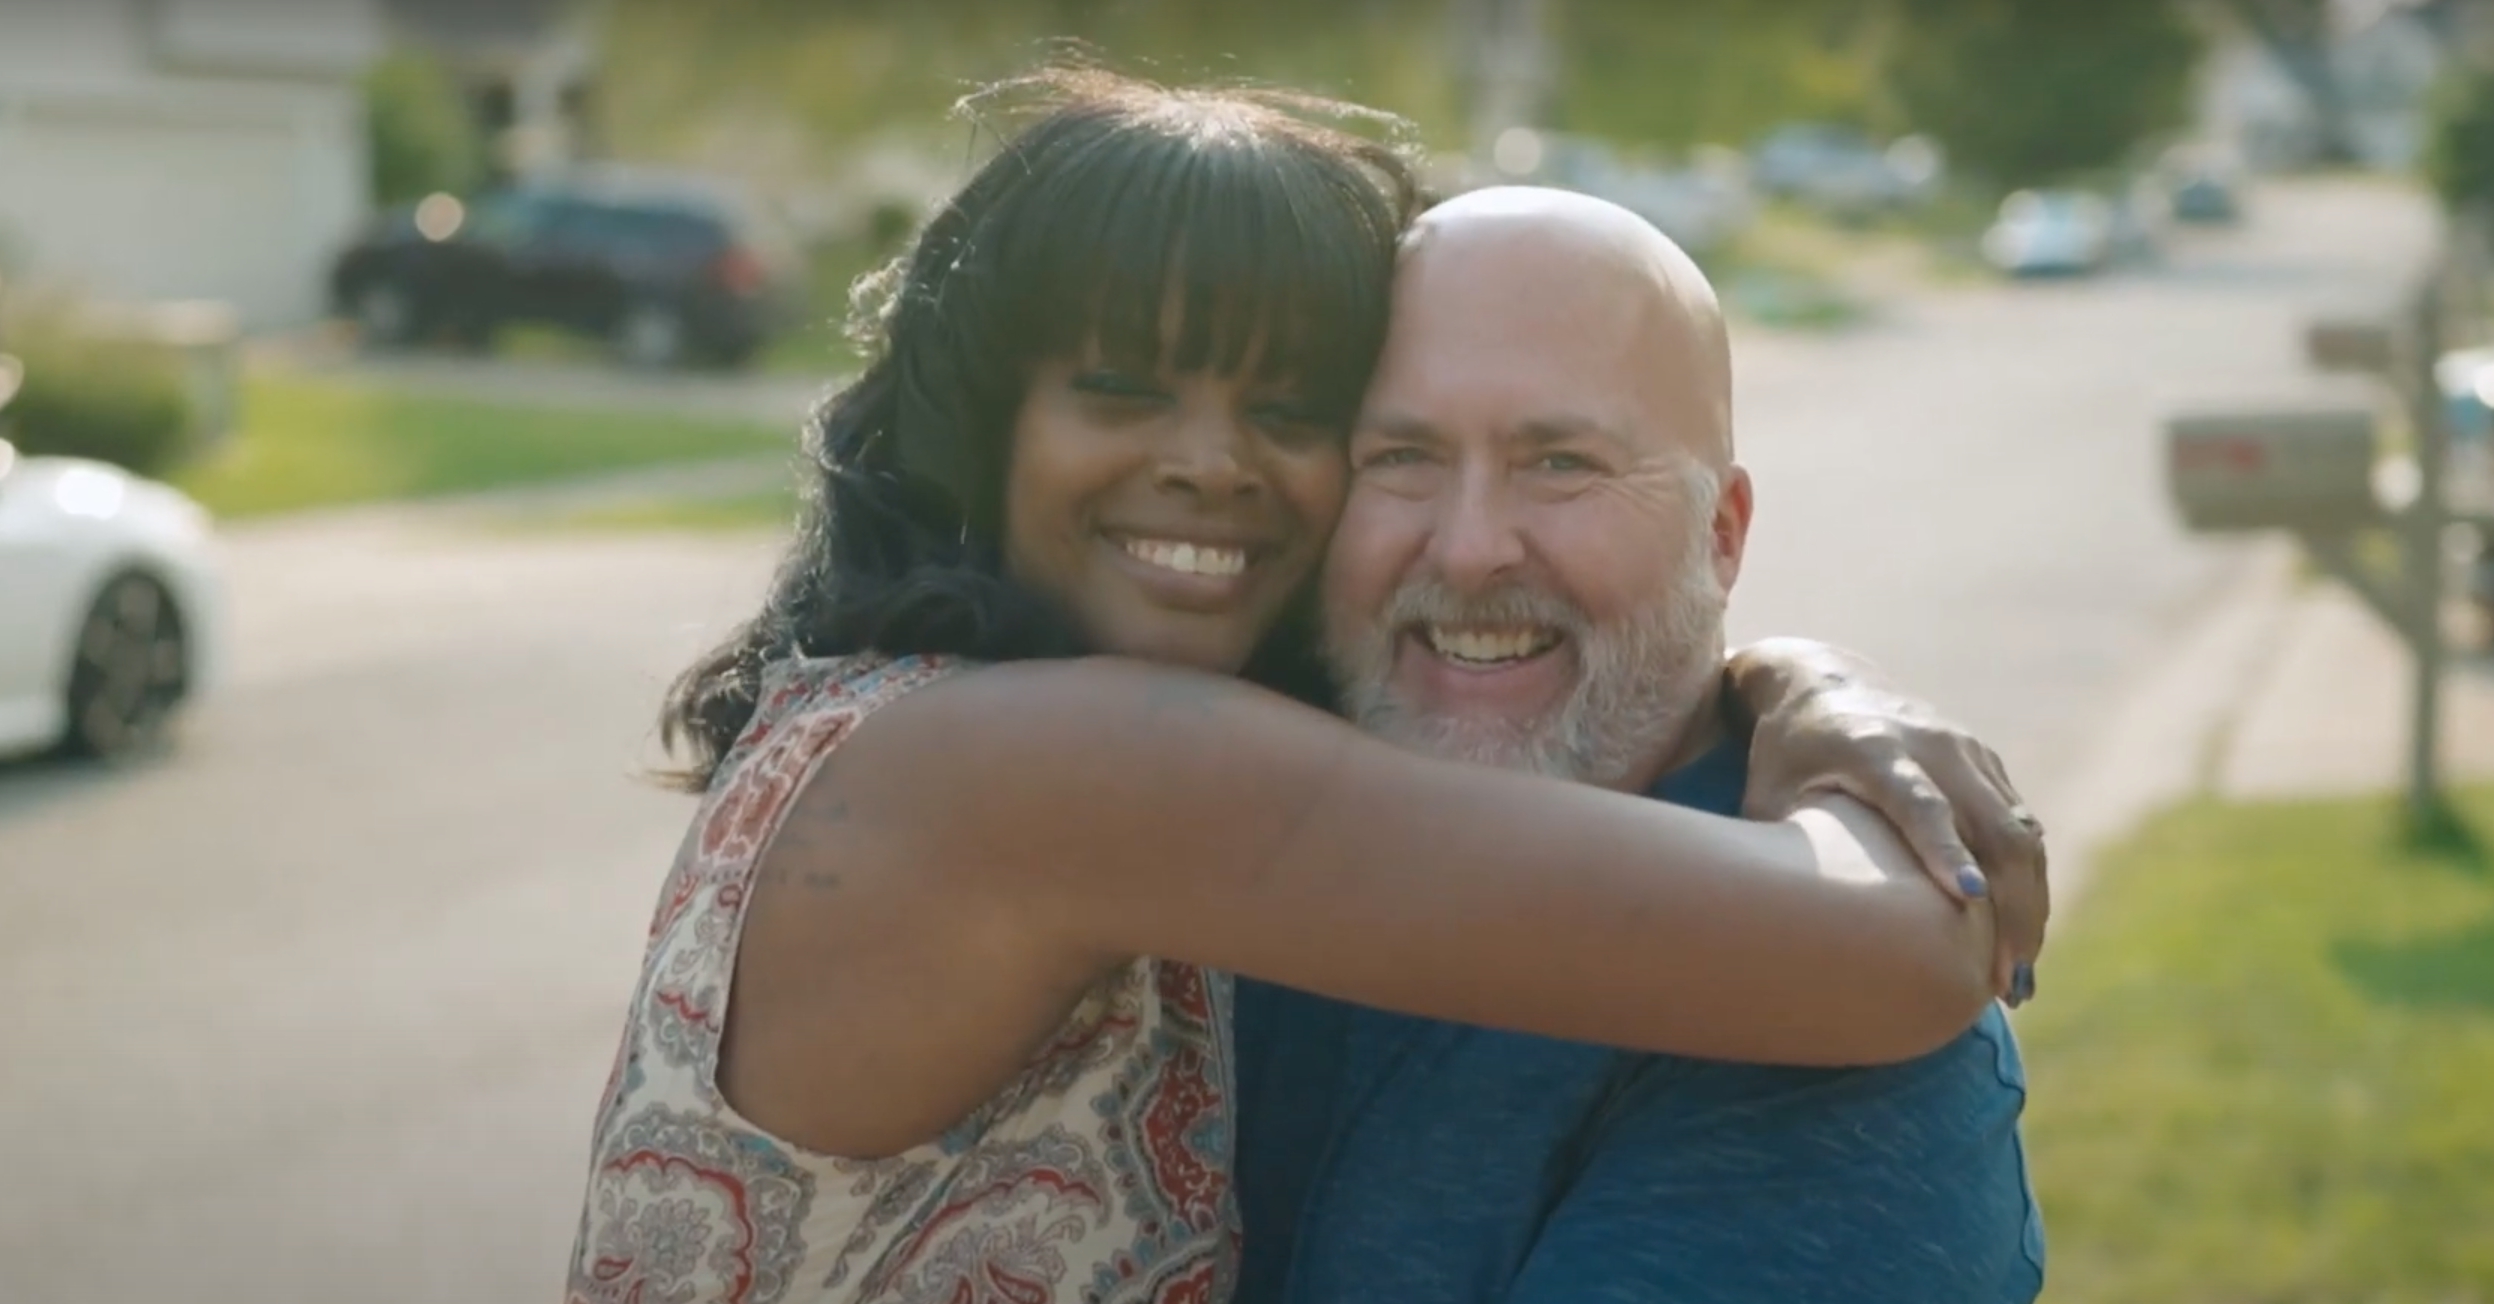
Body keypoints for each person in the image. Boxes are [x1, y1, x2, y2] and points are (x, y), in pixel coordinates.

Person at [565, 67, 2045, 1304]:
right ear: (982, 419)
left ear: (1720, 527)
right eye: (1125, 389)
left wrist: (1786, 680)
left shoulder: (947, 729)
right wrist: (1838, 714)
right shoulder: (1070, 772)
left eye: (1288, 409)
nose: (1212, 462)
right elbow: (1914, 945)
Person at [1233, 187, 2043, 1304]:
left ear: (1721, 534)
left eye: (1559, 461)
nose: (1468, 549)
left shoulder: (1836, 1037)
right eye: (1398, 457)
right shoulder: (1210, 791)